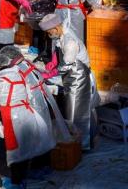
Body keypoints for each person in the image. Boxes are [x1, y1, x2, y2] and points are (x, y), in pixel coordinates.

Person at [1, 45, 68, 168]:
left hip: (32, 104)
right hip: (40, 101)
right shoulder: (25, 63)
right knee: (43, 133)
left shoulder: (16, 70)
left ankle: (37, 165)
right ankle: (43, 162)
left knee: (34, 136)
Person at [39, 14, 99, 150]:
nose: (49, 35)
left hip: (79, 78)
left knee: (77, 113)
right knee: (71, 109)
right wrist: (53, 61)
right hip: (71, 78)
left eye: (49, 32)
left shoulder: (70, 40)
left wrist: (49, 74)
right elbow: (59, 50)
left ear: (56, 27)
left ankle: (81, 146)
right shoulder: (62, 35)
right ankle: (77, 142)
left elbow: (66, 65)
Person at [0, 54, 43, 189]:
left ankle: (16, 181)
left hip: (11, 114)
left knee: (14, 148)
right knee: (24, 143)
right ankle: (25, 173)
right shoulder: (20, 73)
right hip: (25, 110)